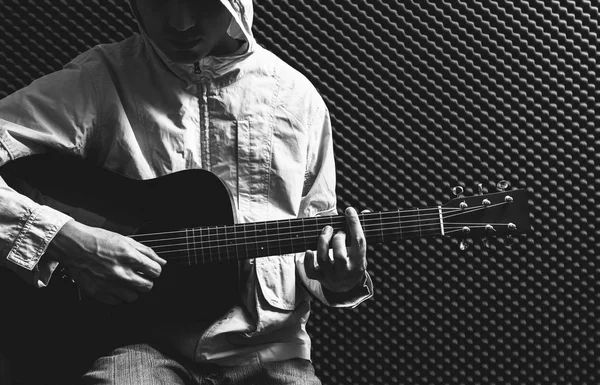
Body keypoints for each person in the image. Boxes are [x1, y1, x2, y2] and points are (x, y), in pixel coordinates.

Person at [0, 0, 373, 383]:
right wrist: (66, 239)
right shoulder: (99, 80)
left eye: (202, 2)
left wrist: (338, 280)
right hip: (139, 346)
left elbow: (312, 246)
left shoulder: (297, 100)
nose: (180, 23)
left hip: (269, 350)